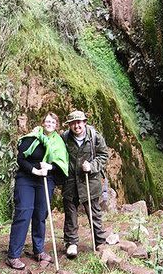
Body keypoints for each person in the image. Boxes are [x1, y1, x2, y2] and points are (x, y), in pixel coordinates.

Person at [6, 113, 69, 270]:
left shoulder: (59, 142)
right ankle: (13, 255)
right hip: (26, 179)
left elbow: (61, 163)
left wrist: (50, 167)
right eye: (47, 121)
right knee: (24, 213)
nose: (49, 124)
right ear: (42, 123)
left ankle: (39, 250)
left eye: (53, 122)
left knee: (41, 214)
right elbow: (21, 159)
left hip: (45, 180)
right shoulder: (32, 137)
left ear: (56, 125)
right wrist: (35, 170)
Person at [61, 109, 109, 257]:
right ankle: (71, 243)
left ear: (84, 122)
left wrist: (92, 166)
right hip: (70, 182)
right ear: (69, 125)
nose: (76, 126)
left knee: (94, 213)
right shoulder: (64, 138)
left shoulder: (95, 137)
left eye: (79, 122)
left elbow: (103, 155)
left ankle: (99, 242)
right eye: (73, 123)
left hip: (90, 181)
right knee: (71, 214)